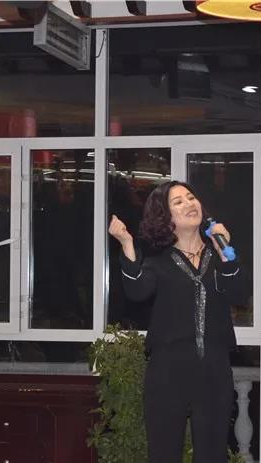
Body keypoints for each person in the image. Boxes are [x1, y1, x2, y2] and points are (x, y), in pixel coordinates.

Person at [108, 180, 250, 463]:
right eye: (178, 202)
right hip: (167, 372)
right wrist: (126, 243)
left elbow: (239, 293)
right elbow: (136, 291)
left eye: (191, 197)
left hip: (214, 371)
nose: (189, 204)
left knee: (212, 455)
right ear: (166, 217)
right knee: (164, 454)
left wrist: (226, 253)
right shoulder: (159, 262)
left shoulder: (218, 255)